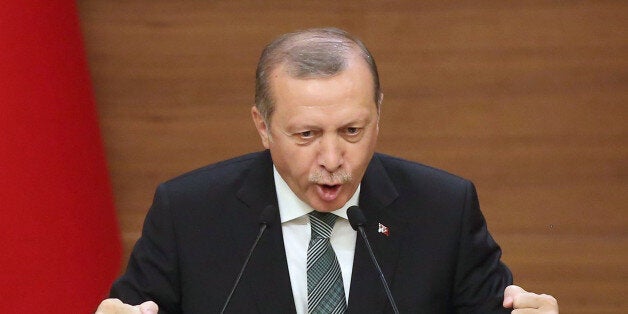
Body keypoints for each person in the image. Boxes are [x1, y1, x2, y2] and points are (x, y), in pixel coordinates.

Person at [96, 27, 559, 313]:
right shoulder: (189, 214)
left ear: (379, 117)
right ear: (262, 125)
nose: (334, 160)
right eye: (306, 135)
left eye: (352, 131)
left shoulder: (442, 210)